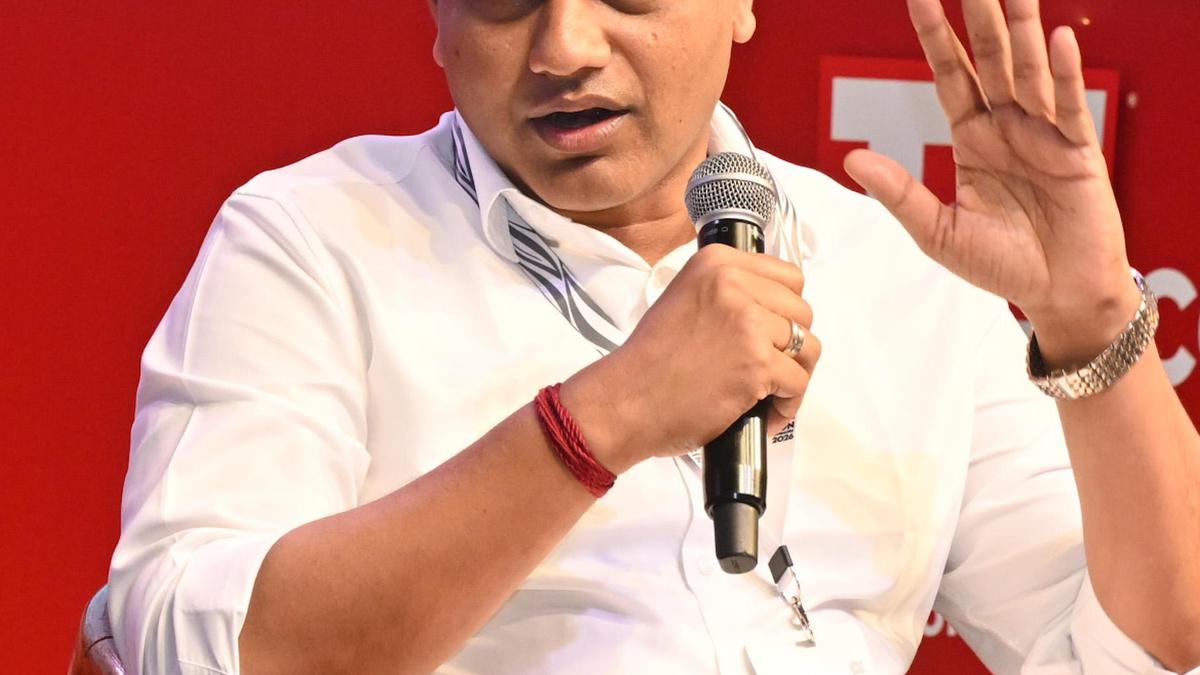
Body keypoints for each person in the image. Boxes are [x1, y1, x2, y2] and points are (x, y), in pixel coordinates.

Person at [107, 0, 1200, 673]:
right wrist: (603, 420)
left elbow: (1146, 652)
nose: (564, 46)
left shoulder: (895, 267)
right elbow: (193, 650)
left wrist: (1089, 320)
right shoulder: (311, 240)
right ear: (435, 17)